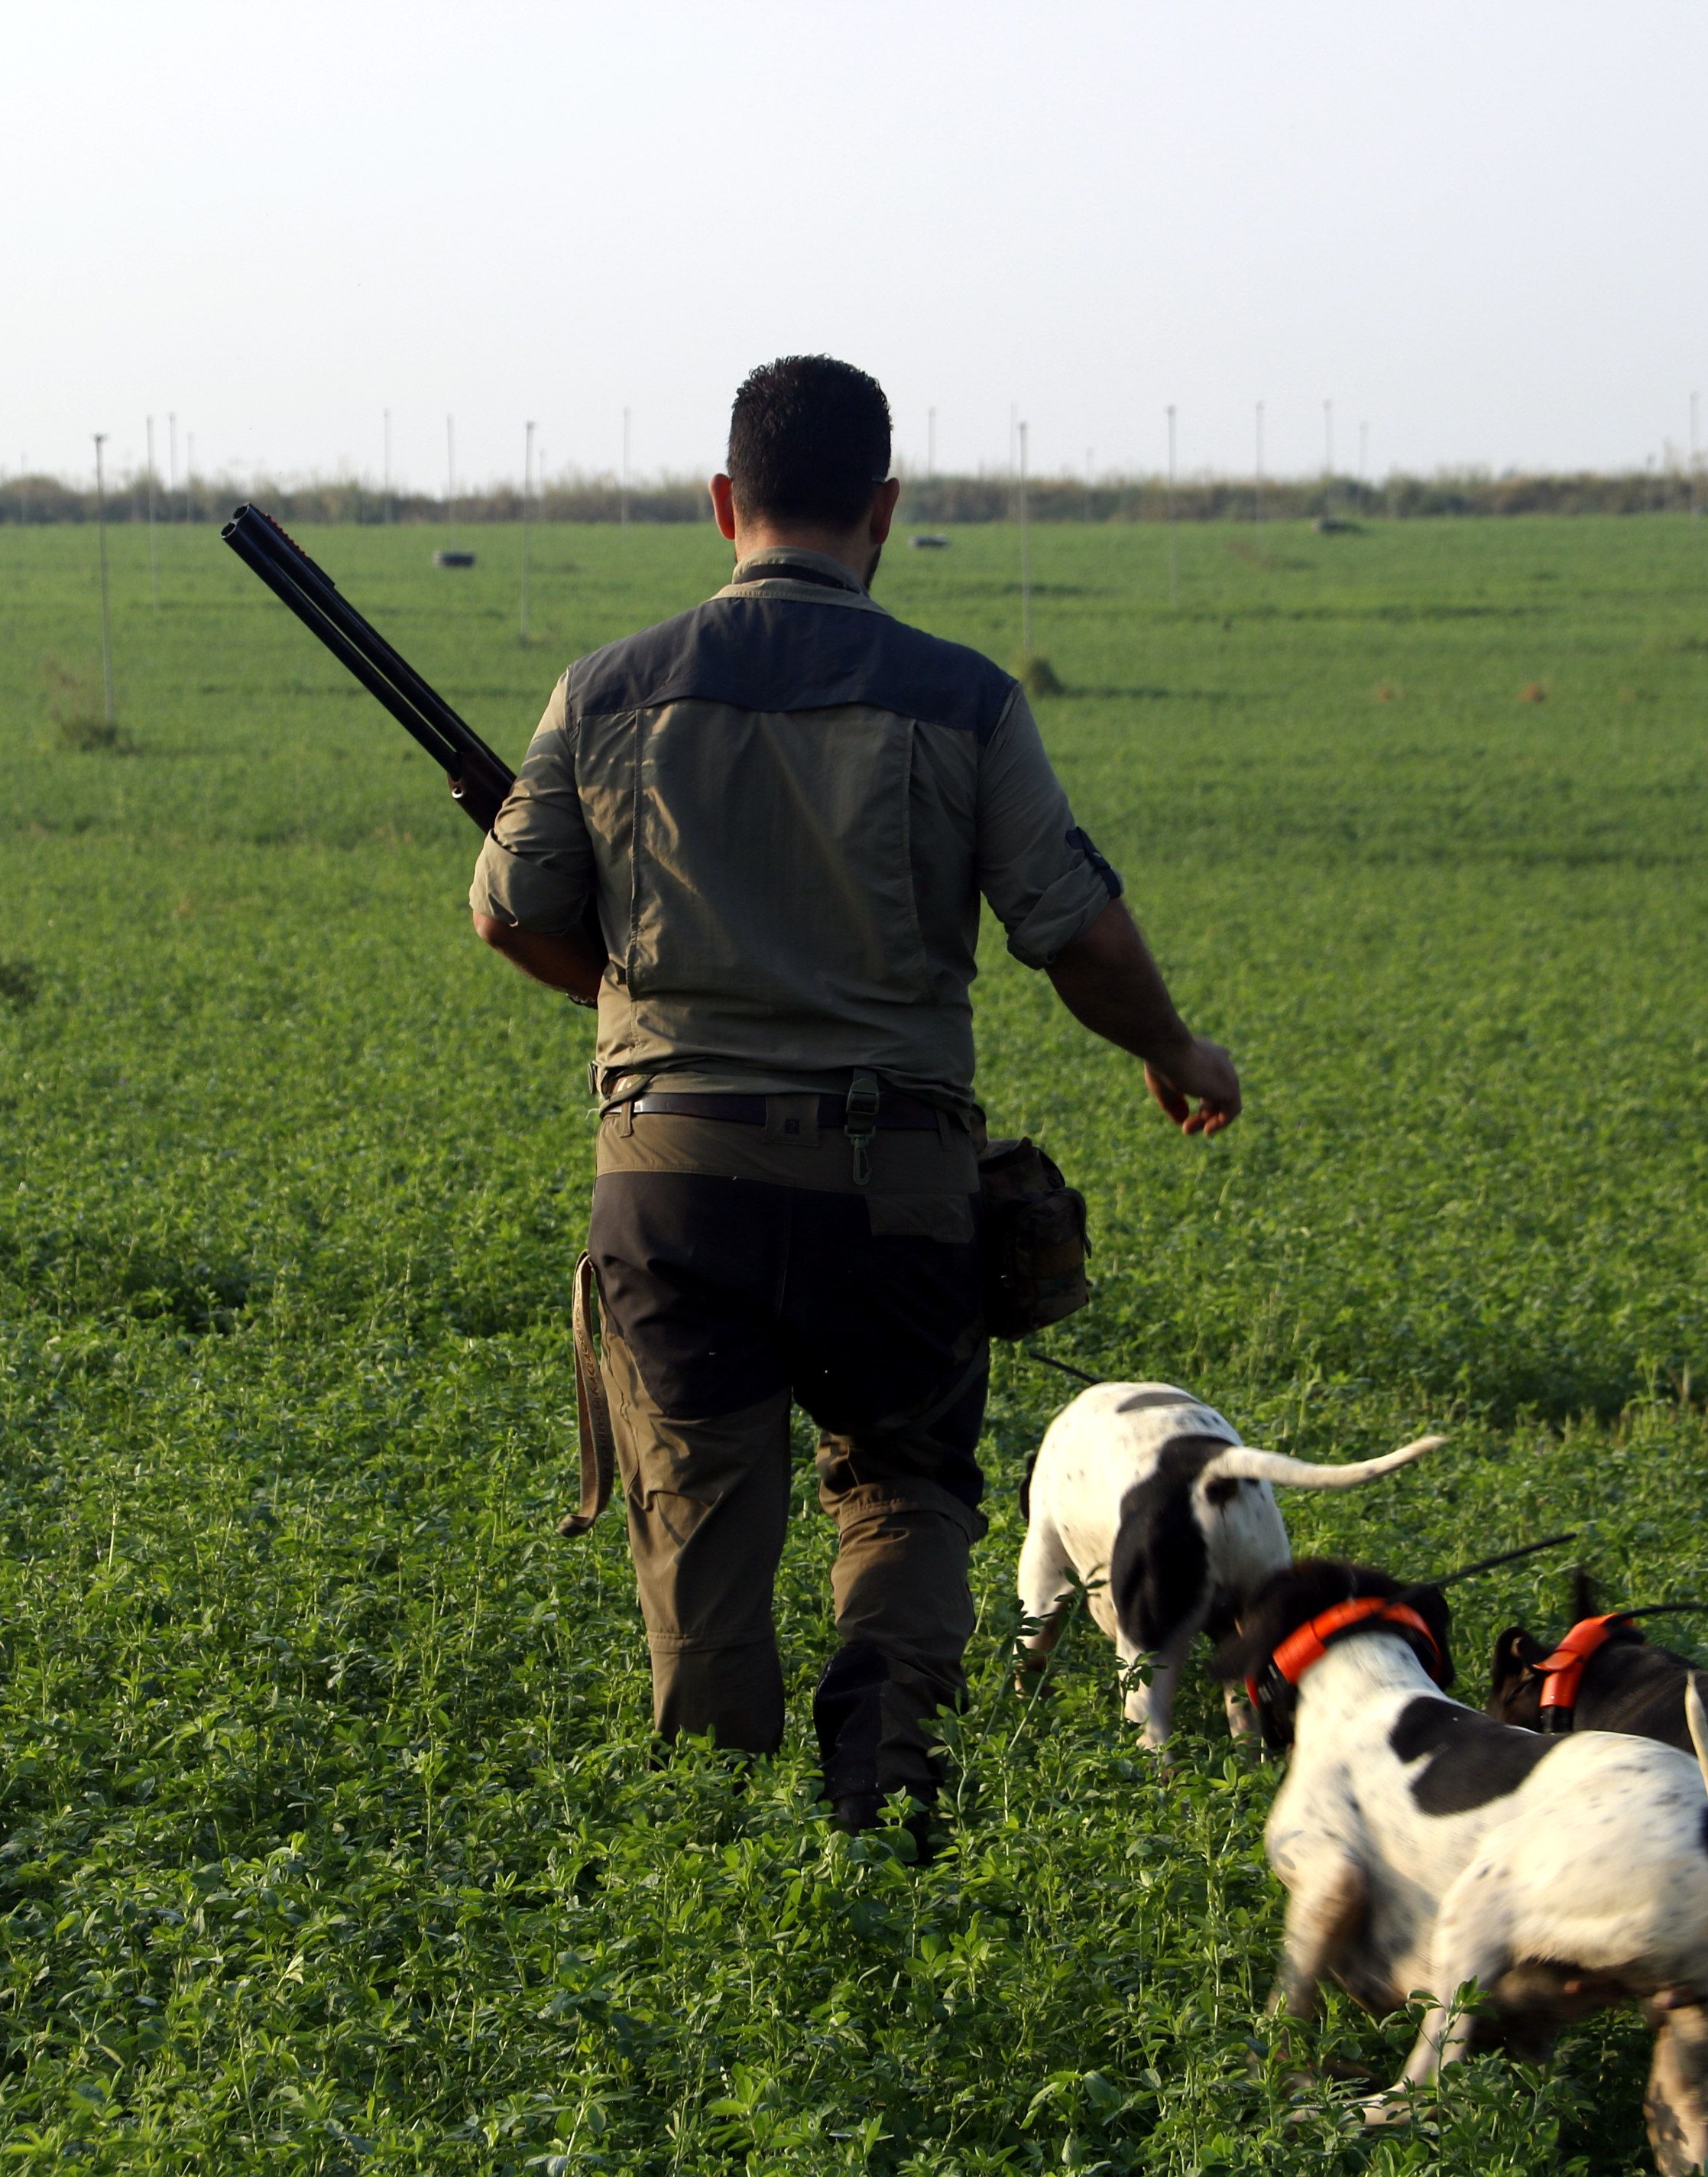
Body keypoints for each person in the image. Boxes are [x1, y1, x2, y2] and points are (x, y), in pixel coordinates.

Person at [470, 354, 1240, 1847]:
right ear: (884, 508)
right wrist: (1175, 1048)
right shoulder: (962, 699)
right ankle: (882, 1793)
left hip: (675, 1178)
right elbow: (1072, 928)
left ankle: (717, 1851)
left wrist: (644, 1022)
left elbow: (509, 910)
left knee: (699, 1514)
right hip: (895, 1188)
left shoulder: (606, 687)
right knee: (901, 1491)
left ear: (722, 505)